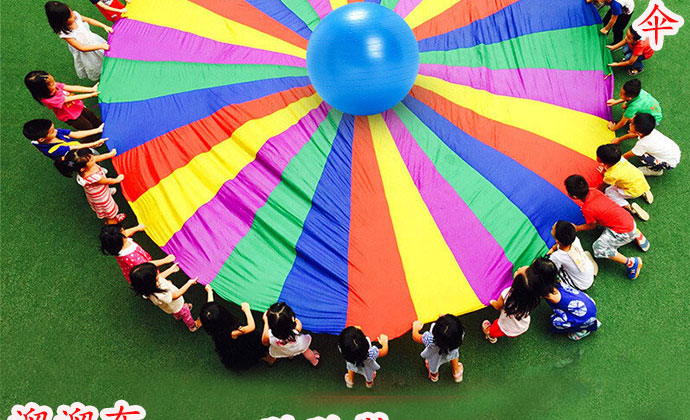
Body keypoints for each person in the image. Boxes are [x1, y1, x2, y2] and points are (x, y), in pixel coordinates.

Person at [564, 174, 648, 279]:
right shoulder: (594, 191)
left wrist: (577, 228)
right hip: (628, 220)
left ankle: (631, 262)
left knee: (598, 248)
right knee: (605, 221)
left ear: (574, 197)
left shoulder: (587, 208)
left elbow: (592, 226)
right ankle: (635, 233)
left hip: (623, 232)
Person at [200, 285, 275, 370]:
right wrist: (247, 310)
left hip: (228, 349)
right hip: (240, 348)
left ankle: (266, 358)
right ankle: (269, 359)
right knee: (254, 349)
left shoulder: (214, 328)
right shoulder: (232, 333)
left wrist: (210, 292)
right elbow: (251, 327)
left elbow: (211, 310)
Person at [481, 262, 551, 344]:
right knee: (508, 330)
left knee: (495, 330)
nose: (519, 268)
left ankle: (490, 335)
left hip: (506, 326)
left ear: (517, 283)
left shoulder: (507, 293)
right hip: (522, 326)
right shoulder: (534, 296)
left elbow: (498, 306)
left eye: (518, 271)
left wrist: (492, 302)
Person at [45, 1, 111, 81]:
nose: (73, 16)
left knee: (105, 55)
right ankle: (105, 74)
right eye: (70, 17)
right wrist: (101, 46)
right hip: (88, 52)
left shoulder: (75, 16)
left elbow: (89, 20)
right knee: (96, 63)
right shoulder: (66, 34)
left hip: (94, 41)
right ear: (61, 21)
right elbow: (82, 48)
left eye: (71, 12)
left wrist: (104, 26)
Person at [57, 148, 126, 224]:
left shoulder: (83, 165)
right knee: (109, 212)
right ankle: (112, 222)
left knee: (104, 205)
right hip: (101, 199)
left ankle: (107, 194)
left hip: (96, 193)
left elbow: (98, 158)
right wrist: (118, 179)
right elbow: (108, 181)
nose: (93, 157)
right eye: (91, 159)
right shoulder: (93, 177)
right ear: (82, 168)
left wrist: (110, 155)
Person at [130, 262, 202, 332]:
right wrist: (189, 283)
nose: (158, 273)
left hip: (170, 307)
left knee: (175, 311)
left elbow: (160, 277)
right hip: (177, 306)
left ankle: (178, 316)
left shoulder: (147, 288)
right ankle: (192, 326)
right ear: (153, 280)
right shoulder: (160, 294)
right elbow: (176, 295)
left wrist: (171, 270)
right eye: (156, 273)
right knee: (186, 314)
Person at [24, 71, 101, 134]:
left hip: (78, 106)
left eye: (53, 81)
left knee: (92, 117)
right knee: (87, 127)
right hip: (71, 117)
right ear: (42, 90)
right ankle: (90, 141)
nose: (55, 84)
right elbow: (69, 99)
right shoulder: (49, 100)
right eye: (52, 84)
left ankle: (100, 127)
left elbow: (70, 87)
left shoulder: (54, 85)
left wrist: (90, 89)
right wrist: (90, 95)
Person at [541, 259, 601, 341]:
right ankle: (589, 321)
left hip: (582, 312)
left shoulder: (551, 296)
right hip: (588, 305)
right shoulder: (560, 282)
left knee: (555, 321)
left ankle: (581, 329)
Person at [99, 223, 176, 284]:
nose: (125, 231)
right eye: (123, 231)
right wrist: (165, 260)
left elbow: (126, 233)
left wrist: (137, 228)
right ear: (121, 238)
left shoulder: (116, 245)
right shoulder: (130, 257)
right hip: (142, 273)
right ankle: (159, 286)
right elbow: (147, 265)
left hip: (138, 268)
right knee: (152, 280)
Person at [596, 144, 652, 221]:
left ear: (600, 159)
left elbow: (603, 185)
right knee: (630, 179)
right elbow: (608, 167)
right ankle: (644, 192)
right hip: (641, 182)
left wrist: (596, 190)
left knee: (608, 192)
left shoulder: (611, 175)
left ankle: (630, 207)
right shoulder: (622, 159)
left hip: (632, 191)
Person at [261, 302, 320, 367]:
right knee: (306, 351)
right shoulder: (297, 328)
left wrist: (266, 322)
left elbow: (265, 343)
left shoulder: (268, 335)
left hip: (281, 350)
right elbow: (297, 322)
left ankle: (290, 356)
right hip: (298, 346)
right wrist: (294, 319)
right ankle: (315, 362)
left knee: (288, 351)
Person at [607, 79, 663, 144]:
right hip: (653, 111)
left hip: (652, 120)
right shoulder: (639, 91)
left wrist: (613, 128)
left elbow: (622, 122)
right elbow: (628, 98)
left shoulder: (634, 106)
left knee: (635, 133)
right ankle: (634, 118)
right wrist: (616, 101)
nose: (619, 95)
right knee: (624, 106)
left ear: (629, 98)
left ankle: (624, 137)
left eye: (621, 94)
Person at [411, 315, 464, 383]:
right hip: (452, 351)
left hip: (435, 357)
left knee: (433, 366)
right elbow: (448, 330)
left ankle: (434, 376)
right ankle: (456, 373)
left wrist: (415, 329)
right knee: (454, 357)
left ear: (434, 331)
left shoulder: (430, 339)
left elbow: (415, 337)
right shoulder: (460, 335)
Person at [547, 221, 597, 291]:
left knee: (557, 273)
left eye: (553, 228)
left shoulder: (557, 256)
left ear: (557, 241)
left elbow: (553, 269)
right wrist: (553, 248)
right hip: (589, 272)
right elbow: (559, 245)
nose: (552, 227)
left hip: (581, 284)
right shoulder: (575, 240)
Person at [22, 118, 104, 160]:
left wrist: (97, 130)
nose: (56, 130)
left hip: (79, 148)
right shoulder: (53, 150)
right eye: (52, 132)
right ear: (41, 139)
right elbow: (76, 147)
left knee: (94, 154)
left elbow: (75, 134)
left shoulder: (54, 132)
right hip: (77, 157)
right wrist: (94, 144)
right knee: (91, 162)